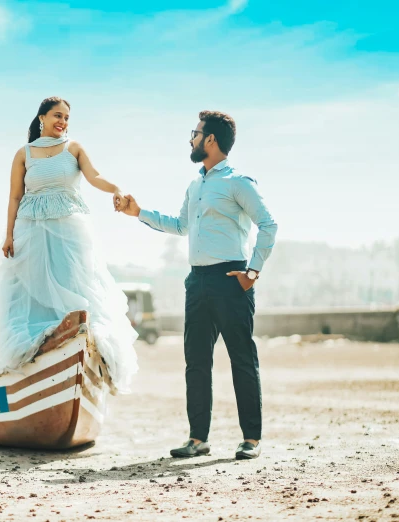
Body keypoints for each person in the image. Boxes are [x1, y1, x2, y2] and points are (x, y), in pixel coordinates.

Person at [118, 110, 278, 459]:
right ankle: (198, 438)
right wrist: (138, 212)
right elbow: (179, 225)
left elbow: (268, 225)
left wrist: (252, 273)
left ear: (210, 139)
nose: (190, 139)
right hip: (198, 281)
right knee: (196, 362)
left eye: (195, 132)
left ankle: (251, 439)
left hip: (232, 279)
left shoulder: (238, 181)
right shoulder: (196, 184)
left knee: (242, 359)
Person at [0, 96, 139, 393]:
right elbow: (15, 196)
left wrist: (116, 188)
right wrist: (9, 235)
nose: (62, 122)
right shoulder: (23, 153)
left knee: (74, 284)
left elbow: (94, 176)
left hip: (70, 230)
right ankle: (39, 357)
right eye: (57, 116)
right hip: (31, 230)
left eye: (66, 118)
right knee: (32, 290)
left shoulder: (74, 148)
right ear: (41, 117)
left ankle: (81, 353)